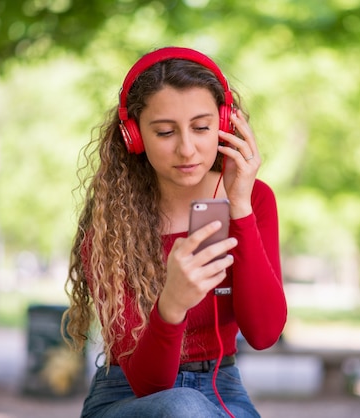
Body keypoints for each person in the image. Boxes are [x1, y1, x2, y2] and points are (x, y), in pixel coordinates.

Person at [62, 46, 287, 418]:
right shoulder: (111, 219)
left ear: (226, 125)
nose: (187, 149)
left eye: (202, 128)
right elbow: (151, 387)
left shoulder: (253, 199)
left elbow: (263, 334)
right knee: (183, 407)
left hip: (223, 388)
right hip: (127, 394)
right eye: (165, 132)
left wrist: (241, 208)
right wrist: (173, 303)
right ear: (133, 136)